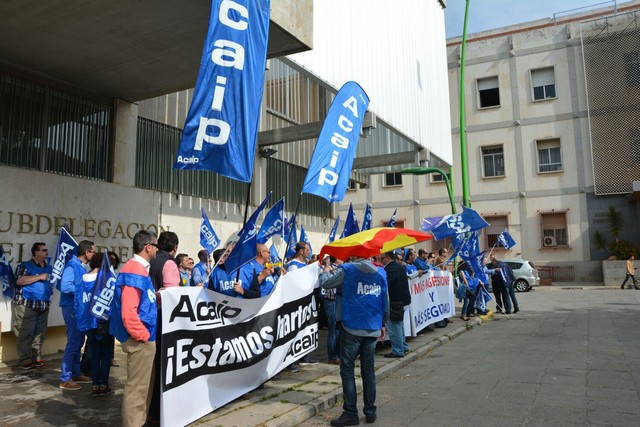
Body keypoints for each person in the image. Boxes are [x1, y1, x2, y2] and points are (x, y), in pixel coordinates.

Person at [319, 255, 388, 426]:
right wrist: (383, 323)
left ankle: (350, 413)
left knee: (347, 370)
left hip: (352, 326)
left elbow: (326, 283)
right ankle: (370, 412)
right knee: (368, 371)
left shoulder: (347, 269)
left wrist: (326, 269)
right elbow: (385, 300)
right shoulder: (380, 272)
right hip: (372, 326)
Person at [109, 230, 158, 427]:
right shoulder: (135, 271)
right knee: (137, 390)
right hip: (140, 340)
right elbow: (129, 313)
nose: (157, 250)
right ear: (148, 247)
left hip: (143, 338)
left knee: (142, 389)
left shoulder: (138, 269)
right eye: (156, 245)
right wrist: (143, 335)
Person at [148, 231, 180, 424]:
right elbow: (172, 295)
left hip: (148, 318)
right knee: (162, 367)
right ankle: (157, 411)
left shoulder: (149, 261)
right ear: (175, 248)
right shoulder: (169, 264)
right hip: (162, 319)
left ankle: (150, 410)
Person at [75, 252, 115, 397]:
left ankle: (95, 385)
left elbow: (78, 301)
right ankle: (104, 384)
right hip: (104, 322)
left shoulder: (83, 278)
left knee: (94, 353)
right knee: (106, 354)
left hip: (88, 322)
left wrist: (80, 320)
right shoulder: (108, 279)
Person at [59, 240, 95, 390]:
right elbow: (65, 286)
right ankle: (65, 378)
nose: (94, 254)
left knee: (79, 341)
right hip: (71, 308)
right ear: (87, 252)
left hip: (79, 308)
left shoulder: (82, 267)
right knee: (73, 342)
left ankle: (76, 372)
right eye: (93, 251)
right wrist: (83, 291)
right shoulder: (72, 265)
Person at [12, 242, 53, 370]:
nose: (46, 252)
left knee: (40, 333)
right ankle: (25, 360)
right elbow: (19, 280)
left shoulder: (49, 267)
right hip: (27, 305)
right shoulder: (25, 265)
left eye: (46, 249)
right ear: (36, 252)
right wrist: (39, 277)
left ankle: (37, 358)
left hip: (43, 305)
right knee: (25, 333)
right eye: (43, 250)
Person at [380, 251, 411, 358]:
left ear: (388, 258)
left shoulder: (390, 269)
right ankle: (403, 346)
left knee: (394, 327)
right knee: (399, 325)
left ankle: (398, 350)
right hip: (401, 300)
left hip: (394, 301)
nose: (381, 260)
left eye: (382, 258)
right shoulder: (399, 267)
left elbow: (387, 284)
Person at [320, 256, 342, 365]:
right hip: (331, 301)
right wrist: (326, 271)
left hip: (337, 301)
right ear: (337, 259)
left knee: (338, 328)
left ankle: (337, 353)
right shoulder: (329, 269)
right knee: (333, 327)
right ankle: (333, 355)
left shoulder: (339, 269)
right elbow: (324, 283)